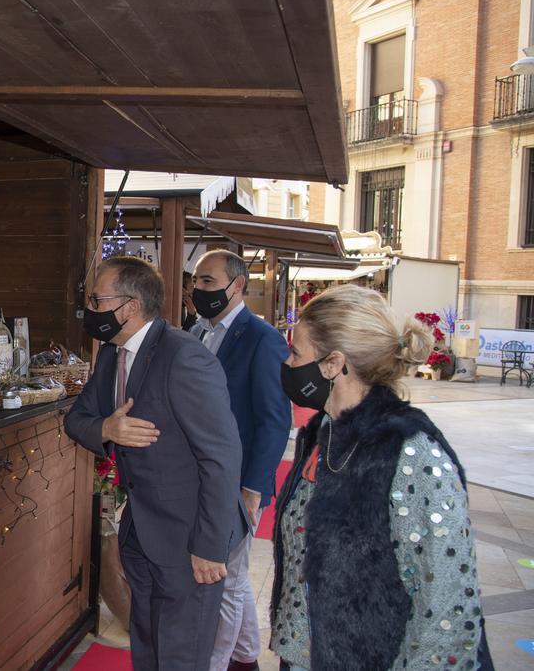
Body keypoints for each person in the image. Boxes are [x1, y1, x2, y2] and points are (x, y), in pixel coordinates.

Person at [271, 285, 493, 670]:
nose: (287, 364)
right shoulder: (323, 434)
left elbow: (446, 610)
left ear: (332, 364)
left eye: (295, 353)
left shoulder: (412, 452)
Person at [65, 256, 247, 671]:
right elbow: (77, 420)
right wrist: (107, 430)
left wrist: (209, 547)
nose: (89, 309)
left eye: (96, 300)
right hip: (142, 534)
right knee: (147, 648)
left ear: (129, 307)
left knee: (181, 656)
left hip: (191, 539)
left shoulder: (184, 356)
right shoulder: (112, 354)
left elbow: (222, 455)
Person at [189, 250, 291, 671]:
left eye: (208, 282)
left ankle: (215, 663)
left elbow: (274, 421)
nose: (199, 290)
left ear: (237, 286)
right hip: (200, 474)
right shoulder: (195, 331)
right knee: (235, 575)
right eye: (196, 281)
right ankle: (246, 656)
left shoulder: (263, 338)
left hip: (238, 482)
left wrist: (253, 488)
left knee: (225, 579)